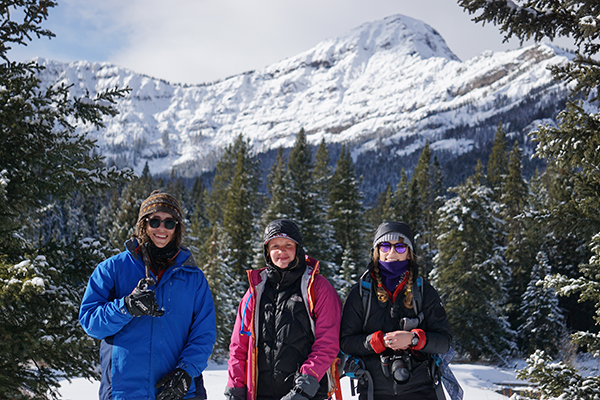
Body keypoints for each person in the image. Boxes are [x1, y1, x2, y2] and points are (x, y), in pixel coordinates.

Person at [79, 190, 217, 400]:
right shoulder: (112, 269)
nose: (162, 228)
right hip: (124, 392)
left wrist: (186, 372)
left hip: (177, 391)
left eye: (169, 223)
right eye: (155, 221)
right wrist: (125, 307)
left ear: (177, 228)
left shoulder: (193, 278)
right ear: (143, 224)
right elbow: (90, 323)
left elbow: (204, 334)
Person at [224, 219, 342, 400]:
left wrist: (303, 388)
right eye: (275, 246)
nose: (282, 251)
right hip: (259, 393)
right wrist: (235, 388)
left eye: (288, 244)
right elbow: (239, 346)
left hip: (306, 394)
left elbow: (328, 342)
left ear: (298, 248)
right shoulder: (255, 291)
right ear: (267, 251)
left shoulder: (317, 287)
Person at [340, 221, 452, 400]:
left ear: (409, 252)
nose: (391, 253)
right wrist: (378, 342)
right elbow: (346, 342)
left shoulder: (423, 290)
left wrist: (415, 339)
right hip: (372, 389)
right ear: (377, 251)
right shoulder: (361, 293)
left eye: (400, 247)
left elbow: (444, 341)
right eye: (385, 246)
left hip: (421, 390)